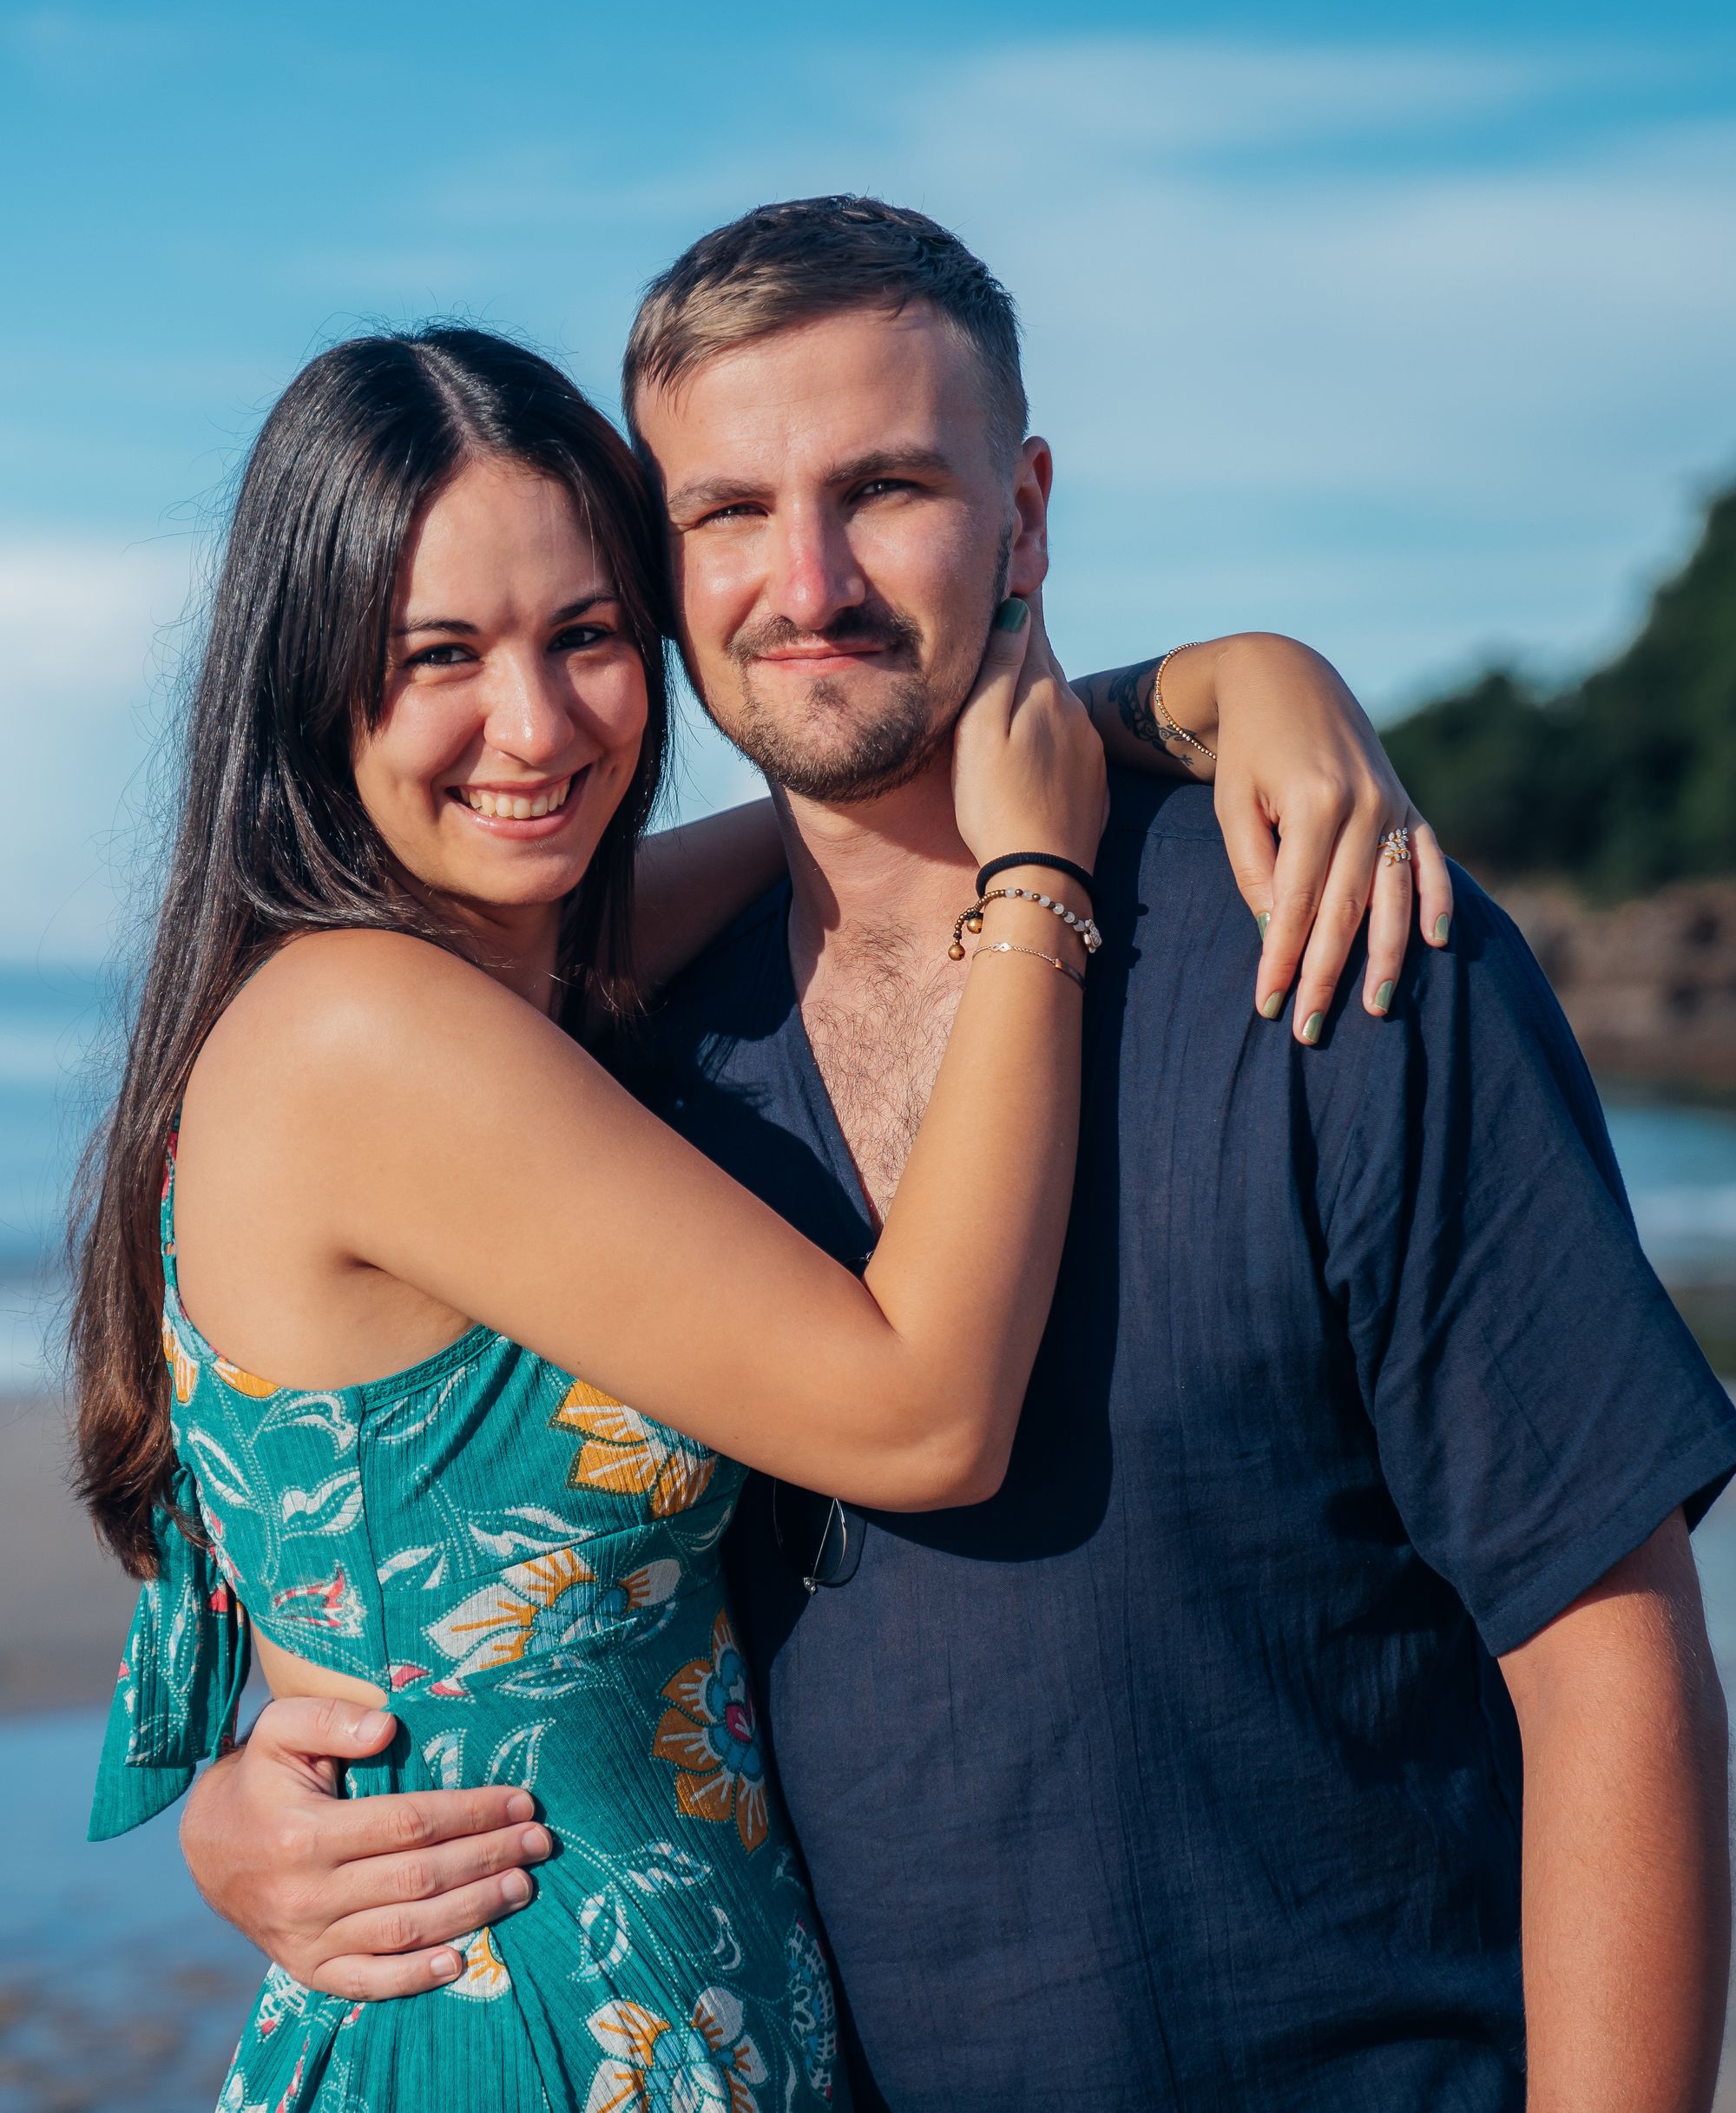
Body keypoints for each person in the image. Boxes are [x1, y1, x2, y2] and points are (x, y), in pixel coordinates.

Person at [183, 201, 1736, 2113]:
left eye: (888, 487)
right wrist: (256, 1788)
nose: (806, 577)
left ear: (1026, 511)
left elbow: (1607, 1655)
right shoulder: (616, 1051)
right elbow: (324, 1474)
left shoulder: (1331, 946)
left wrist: (1217, 681)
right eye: (728, 512)